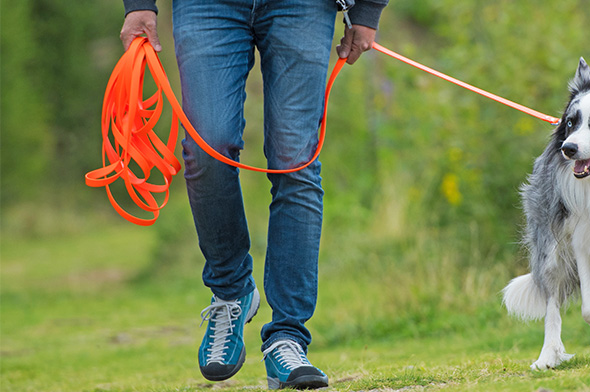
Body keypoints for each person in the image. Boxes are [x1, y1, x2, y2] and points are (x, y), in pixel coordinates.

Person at [119, 0, 388, 389]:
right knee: (205, 147)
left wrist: (367, 9)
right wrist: (139, 4)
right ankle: (230, 293)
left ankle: (288, 337)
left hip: (304, 7)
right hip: (206, 6)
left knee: (295, 161)